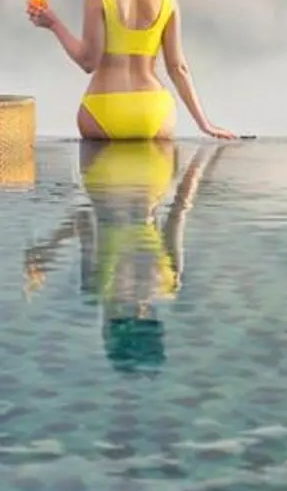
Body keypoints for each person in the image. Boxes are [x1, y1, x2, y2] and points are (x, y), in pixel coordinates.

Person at [23, 139, 233, 372]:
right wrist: (49, 249)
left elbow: (180, 206)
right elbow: (82, 218)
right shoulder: (98, 287)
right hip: (100, 170)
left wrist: (199, 159)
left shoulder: (168, 284)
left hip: (154, 169)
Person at [27, 0, 234, 141]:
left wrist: (54, 24)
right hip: (154, 112)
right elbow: (178, 68)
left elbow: (88, 62)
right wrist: (205, 124)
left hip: (104, 109)